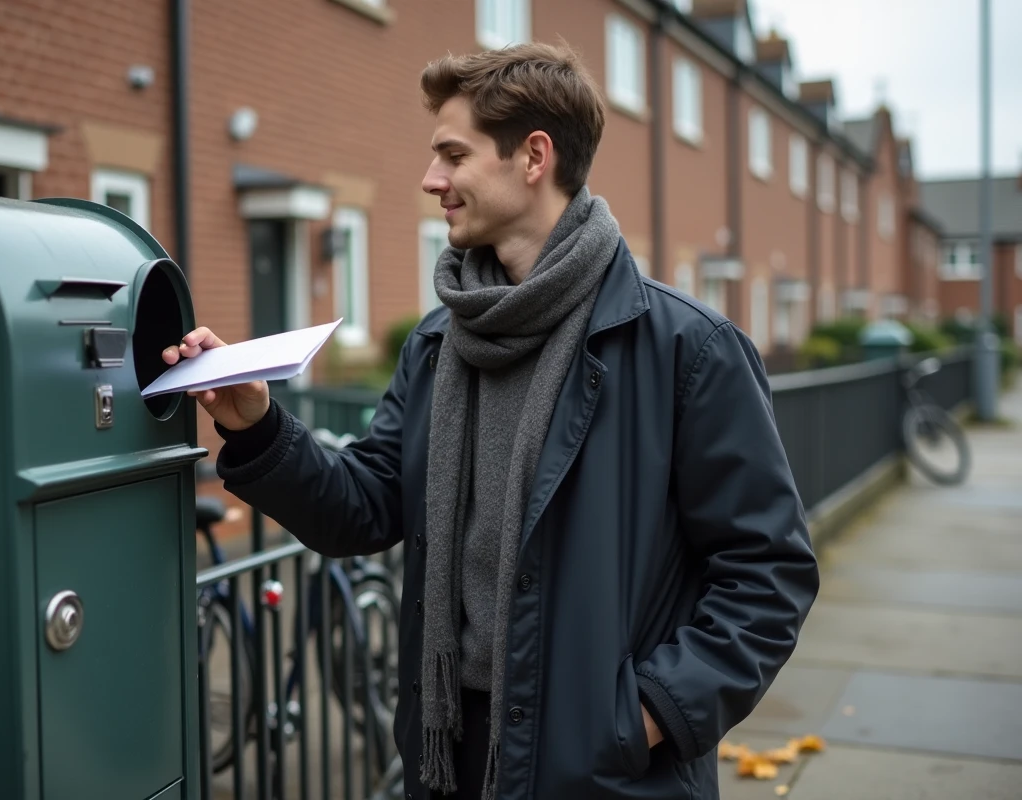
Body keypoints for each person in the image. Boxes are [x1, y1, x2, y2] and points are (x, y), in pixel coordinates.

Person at [165, 42, 819, 800]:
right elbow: (368, 504)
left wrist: (646, 715)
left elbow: (767, 574)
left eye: (453, 154)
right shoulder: (440, 343)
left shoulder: (686, 350)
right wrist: (259, 427)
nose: (430, 179)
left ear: (533, 157)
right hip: (452, 754)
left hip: (602, 766)